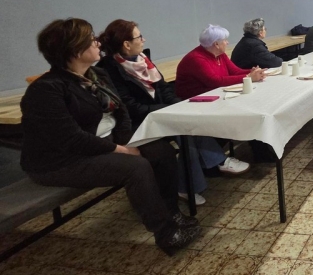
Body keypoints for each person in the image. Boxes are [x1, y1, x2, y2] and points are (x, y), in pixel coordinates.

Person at [22, 18, 200, 255]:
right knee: (135, 167)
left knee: (161, 150)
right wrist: (122, 150)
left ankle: (171, 212)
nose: (98, 43)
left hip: (105, 143)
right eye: (91, 40)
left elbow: (121, 112)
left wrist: (127, 140)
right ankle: (166, 233)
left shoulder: (97, 75)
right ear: (74, 49)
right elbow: (71, 139)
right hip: (61, 160)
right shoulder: (46, 90)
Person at [97, 20, 244, 206]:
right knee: (185, 134)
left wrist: (179, 105)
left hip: (157, 113)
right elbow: (130, 107)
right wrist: (169, 111)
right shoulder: (109, 70)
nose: (144, 39)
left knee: (189, 124)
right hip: (137, 122)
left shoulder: (143, 59)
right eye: (139, 37)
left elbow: (164, 88)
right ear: (127, 44)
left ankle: (198, 177)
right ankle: (195, 180)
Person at [175, 25, 273, 163]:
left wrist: (253, 72)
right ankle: (255, 152)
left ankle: (260, 151)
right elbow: (215, 81)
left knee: (252, 109)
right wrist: (249, 77)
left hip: (216, 97)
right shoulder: (196, 59)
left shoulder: (220, 55)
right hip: (196, 102)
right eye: (225, 40)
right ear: (216, 44)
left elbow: (235, 71)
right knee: (246, 113)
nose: (227, 42)